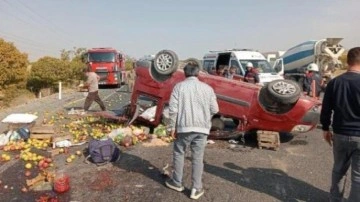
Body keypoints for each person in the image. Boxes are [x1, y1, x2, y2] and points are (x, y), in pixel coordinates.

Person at [165, 62, 219, 200]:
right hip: (202, 129)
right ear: (198, 73)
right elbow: (215, 109)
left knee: (179, 153)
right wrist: (205, 118)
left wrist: (171, 127)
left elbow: (173, 110)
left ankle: (177, 182)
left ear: (185, 73)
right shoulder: (207, 88)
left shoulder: (179, 87)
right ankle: (196, 188)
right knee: (198, 157)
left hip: (184, 127)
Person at [320, 47, 360, 202]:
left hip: (340, 134)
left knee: (338, 171)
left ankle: (335, 199)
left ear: (348, 62)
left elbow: (326, 109)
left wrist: (325, 128)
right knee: (358, 177)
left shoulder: (335, 83)